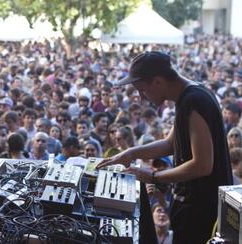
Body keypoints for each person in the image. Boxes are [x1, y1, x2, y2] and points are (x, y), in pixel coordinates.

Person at [97, 51, 233, 243]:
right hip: (192, 207)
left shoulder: (193, 101)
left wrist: (153, 176)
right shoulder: (189, 96)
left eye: (142, 89)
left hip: (201, 211)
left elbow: (202, 165)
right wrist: (130, 152)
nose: (141, 97)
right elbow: (170, 144)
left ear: (158, 82)